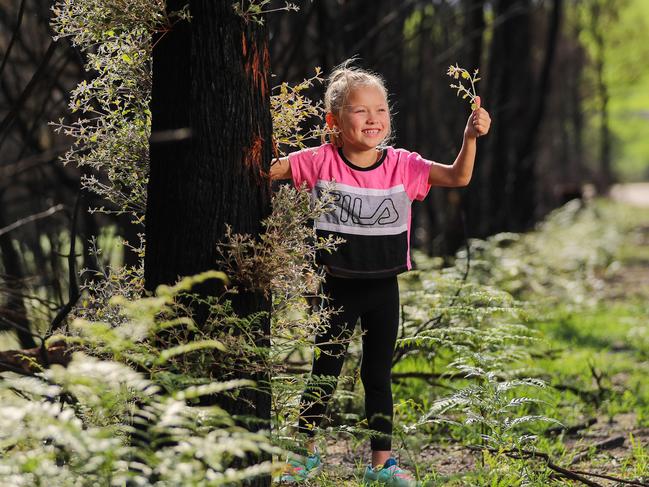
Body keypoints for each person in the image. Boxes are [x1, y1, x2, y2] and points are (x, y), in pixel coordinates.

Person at [270, 63, 491, 486]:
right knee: (325, 369)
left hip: (383, 289)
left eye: (381, 110)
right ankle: (304, 455)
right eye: (360, 111)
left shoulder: (403, 166)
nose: (373, 119)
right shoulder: (320, 161)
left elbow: (460, 176)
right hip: (334, 286)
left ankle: (381, 464)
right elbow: (272, 169)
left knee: (377, 374)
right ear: (333, 121)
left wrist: (470, 137)